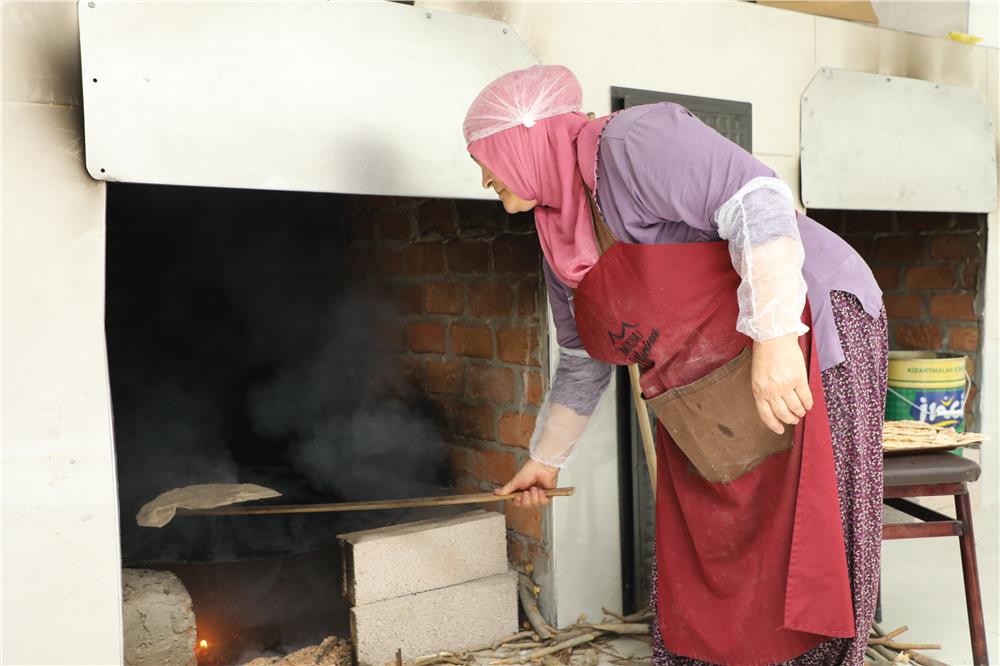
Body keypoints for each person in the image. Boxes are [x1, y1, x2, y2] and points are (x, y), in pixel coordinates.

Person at [464, 65, 887, 666]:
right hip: (710, 378)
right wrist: (544, 461)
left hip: (807, 321)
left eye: (486, 156)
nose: (482, 176)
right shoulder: (560, 233)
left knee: (805, 523)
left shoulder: (636, 142)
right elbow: (584, 358)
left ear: (524, 139)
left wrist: (774, 341)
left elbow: (759, 200)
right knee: (712, 541)